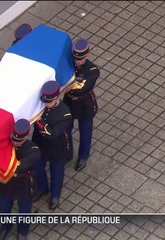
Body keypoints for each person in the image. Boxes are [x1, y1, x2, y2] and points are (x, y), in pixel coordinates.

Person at [0, 119, 40, 240]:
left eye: (18, 140)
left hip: (24, 184)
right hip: (8, 183)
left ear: (26, 138)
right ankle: (6, 226)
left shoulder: (33, 150)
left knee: (24, 210)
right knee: (4, 207)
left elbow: (17, 167)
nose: (14, 142)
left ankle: (23, 231)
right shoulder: (7, 143)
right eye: (13, 139)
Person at [32, 81, 72, 210]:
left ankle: (55, 195)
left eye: (49, 102)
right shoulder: (41, 104)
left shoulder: (64, 113)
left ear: (56, 98)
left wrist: (39, 121)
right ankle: (42, 188)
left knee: (56, 171)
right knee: (38, 168)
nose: (46, 104)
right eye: (45, 101)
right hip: (40, 143)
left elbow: (52, 134)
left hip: (56, 146)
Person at [63, 38, 100, 172]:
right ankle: (68, 153)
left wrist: (66, 84)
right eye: (75, 59)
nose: (77, 61)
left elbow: (81, 89)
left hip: (85, 104)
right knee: (66, 130)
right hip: (69, 103)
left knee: (85, 132)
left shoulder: (92, 70)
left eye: (80, 59)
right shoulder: (69, 64)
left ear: (87, 56)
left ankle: (83, 156)